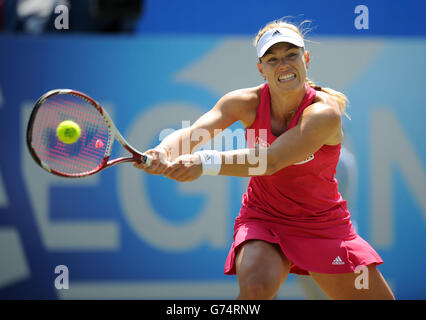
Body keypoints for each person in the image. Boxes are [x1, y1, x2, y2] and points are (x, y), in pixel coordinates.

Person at [134, 19, 395, 300]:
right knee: (255, 289)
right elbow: (193, 133)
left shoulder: (324, 113)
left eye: (291, 55)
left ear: (306, 58)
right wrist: (163, 150)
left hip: (324, 226)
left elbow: (271, 161)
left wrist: (203, 163)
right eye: (272, 59)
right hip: (265, 218)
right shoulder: (243, 102)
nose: (283, 64)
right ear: (261, 68)